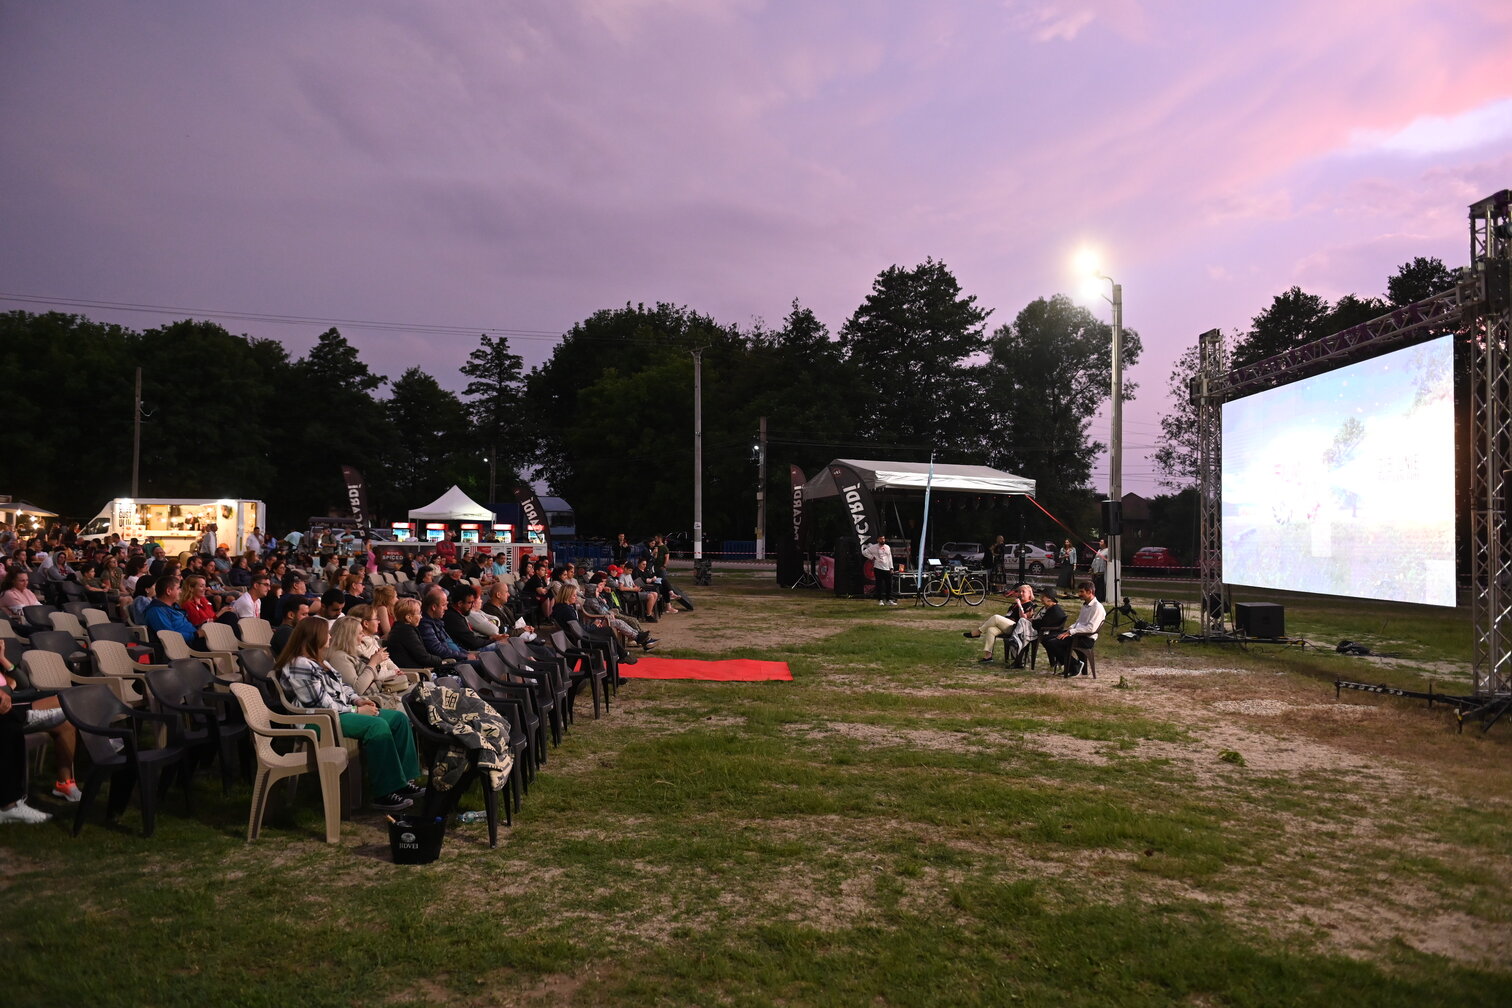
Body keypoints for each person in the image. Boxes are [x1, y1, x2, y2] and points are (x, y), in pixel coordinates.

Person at [277, 616, 421, 812]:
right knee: (377, 726)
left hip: (339, 712)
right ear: (314, 637)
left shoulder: (320, 662)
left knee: (398, 719)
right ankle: (384, 793)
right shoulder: (299, 665)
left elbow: (343, 687)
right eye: (325, 634)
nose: (329, 636)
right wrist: (357, 710)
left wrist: (357, 700)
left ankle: (402, 781)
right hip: (318, 720)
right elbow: (320, 704)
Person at [1, 649, 81, 801]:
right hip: (9, 712)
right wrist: (8, 687)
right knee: (65, 701)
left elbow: (23, 683)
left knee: (66, 723)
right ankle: (101, 736)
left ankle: (64, 784)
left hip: (16, 701)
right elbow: (8, 691)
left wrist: (2, 658)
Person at [961, 584, 1037, 663]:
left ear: (1029, 593)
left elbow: (1023, 618)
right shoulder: (1015, 604)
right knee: (991, 630)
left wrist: (1020, 605)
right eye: (1019, 591)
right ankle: (988, 657)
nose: (1021, 593)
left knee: (996, 617)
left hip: (1017, 629)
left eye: (1023, 592)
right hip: (1008, 626)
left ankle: (977, 632)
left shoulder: (1030, 605)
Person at [1044, 581, 1105, 676]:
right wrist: (1069, 630)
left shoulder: (1097, 607)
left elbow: (1091, 628)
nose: (1079, 594)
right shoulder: (1085, 605)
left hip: (1086, 638)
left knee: (1053, 642)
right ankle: (1070, 664)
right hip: (1077, 635)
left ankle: (1074, 666)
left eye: (1081, 592)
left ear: (1089, 592)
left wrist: (1071, 632)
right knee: (1047, 639)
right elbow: (1078, 622)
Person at [385, 597, 450, 672]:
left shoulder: (400, 629)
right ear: (409, 618)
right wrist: (441, 661)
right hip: (416, 674)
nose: (421, 617)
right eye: (419, 613)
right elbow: (424, 658)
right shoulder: (406, 632)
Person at [861, 535, 899, 606]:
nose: (883, 540)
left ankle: (888, 600)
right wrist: (872, 557)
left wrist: (891, 568)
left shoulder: (887, 547)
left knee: (889, 585)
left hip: (887, 568)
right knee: (879, 584)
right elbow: (864, 552)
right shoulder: (874, 547)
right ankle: (880, 600)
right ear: (878, 540)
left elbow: (890, 557)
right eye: (881, 539)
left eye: (884, 539)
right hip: (878, 568)